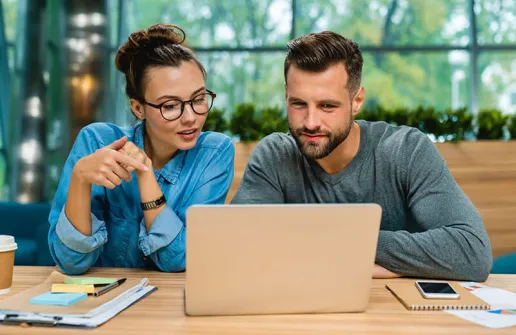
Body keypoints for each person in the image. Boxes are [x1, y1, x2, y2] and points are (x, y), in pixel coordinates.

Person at [231, 31, 492, 281]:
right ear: (286, 95)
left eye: (327, 106)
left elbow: (472, 251)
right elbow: (238, 249)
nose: (310, 122)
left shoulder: (406, 150)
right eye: (298, 104)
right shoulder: (273, 156)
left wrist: (339, 240)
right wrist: (382, 256)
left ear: (357, 101)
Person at [48, 23, 234, 275]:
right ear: (138, 108)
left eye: (199, 99)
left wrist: (145, 175)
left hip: (168, 308)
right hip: (98, 304)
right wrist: (80, 178)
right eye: (170, 105)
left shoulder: (214, 153)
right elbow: (70, 262)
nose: (191, 117)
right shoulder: (96, 141)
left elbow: (179, 259)